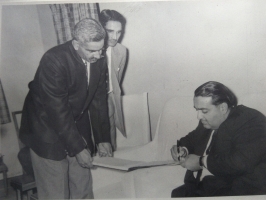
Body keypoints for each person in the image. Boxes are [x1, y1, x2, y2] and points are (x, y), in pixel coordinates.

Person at [19, 18, 112, 199]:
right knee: (56, 193)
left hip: (75, 124)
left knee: (82, 188)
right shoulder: (53, 60)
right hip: (45, 129)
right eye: (92, 50)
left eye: (101, 49)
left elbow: (99, 100)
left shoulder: (99, 59)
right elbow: (57, 110)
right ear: (76, 44)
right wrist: (77, 149)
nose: (98, 55)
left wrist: (102, 138)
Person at [171, 81, 266, 197]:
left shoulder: (251, 121)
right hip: (211, 184)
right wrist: (182, 149)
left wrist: (201, 162)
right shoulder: (209, 121)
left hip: (241, 190)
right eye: (197, 110)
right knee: (176, 194)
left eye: (204, 111)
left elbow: (239, 162)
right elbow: (192, 138)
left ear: (223, 108)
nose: (199, 116)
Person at [99, 9, 127, 151]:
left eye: (119, 32)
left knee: (110, 144)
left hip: (108, 98)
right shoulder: (90, 50)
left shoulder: (121, 51)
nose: (115, 37)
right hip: (87, 103)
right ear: (101, 29)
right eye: (110, 31)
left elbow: (116, 81)